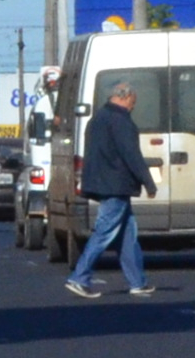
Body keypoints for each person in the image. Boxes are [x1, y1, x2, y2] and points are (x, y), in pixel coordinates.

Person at [66, 80, 155, 298]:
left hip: (104, 183)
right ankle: (79, 277)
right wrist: (148, 182)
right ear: (124, 97)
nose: (133, 107)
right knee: (104, 233)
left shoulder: (98, 118)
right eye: (133, 102)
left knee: (127, 234)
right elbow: (131, 154)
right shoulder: (119, 120)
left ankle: (137, 282)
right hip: (116, 185)